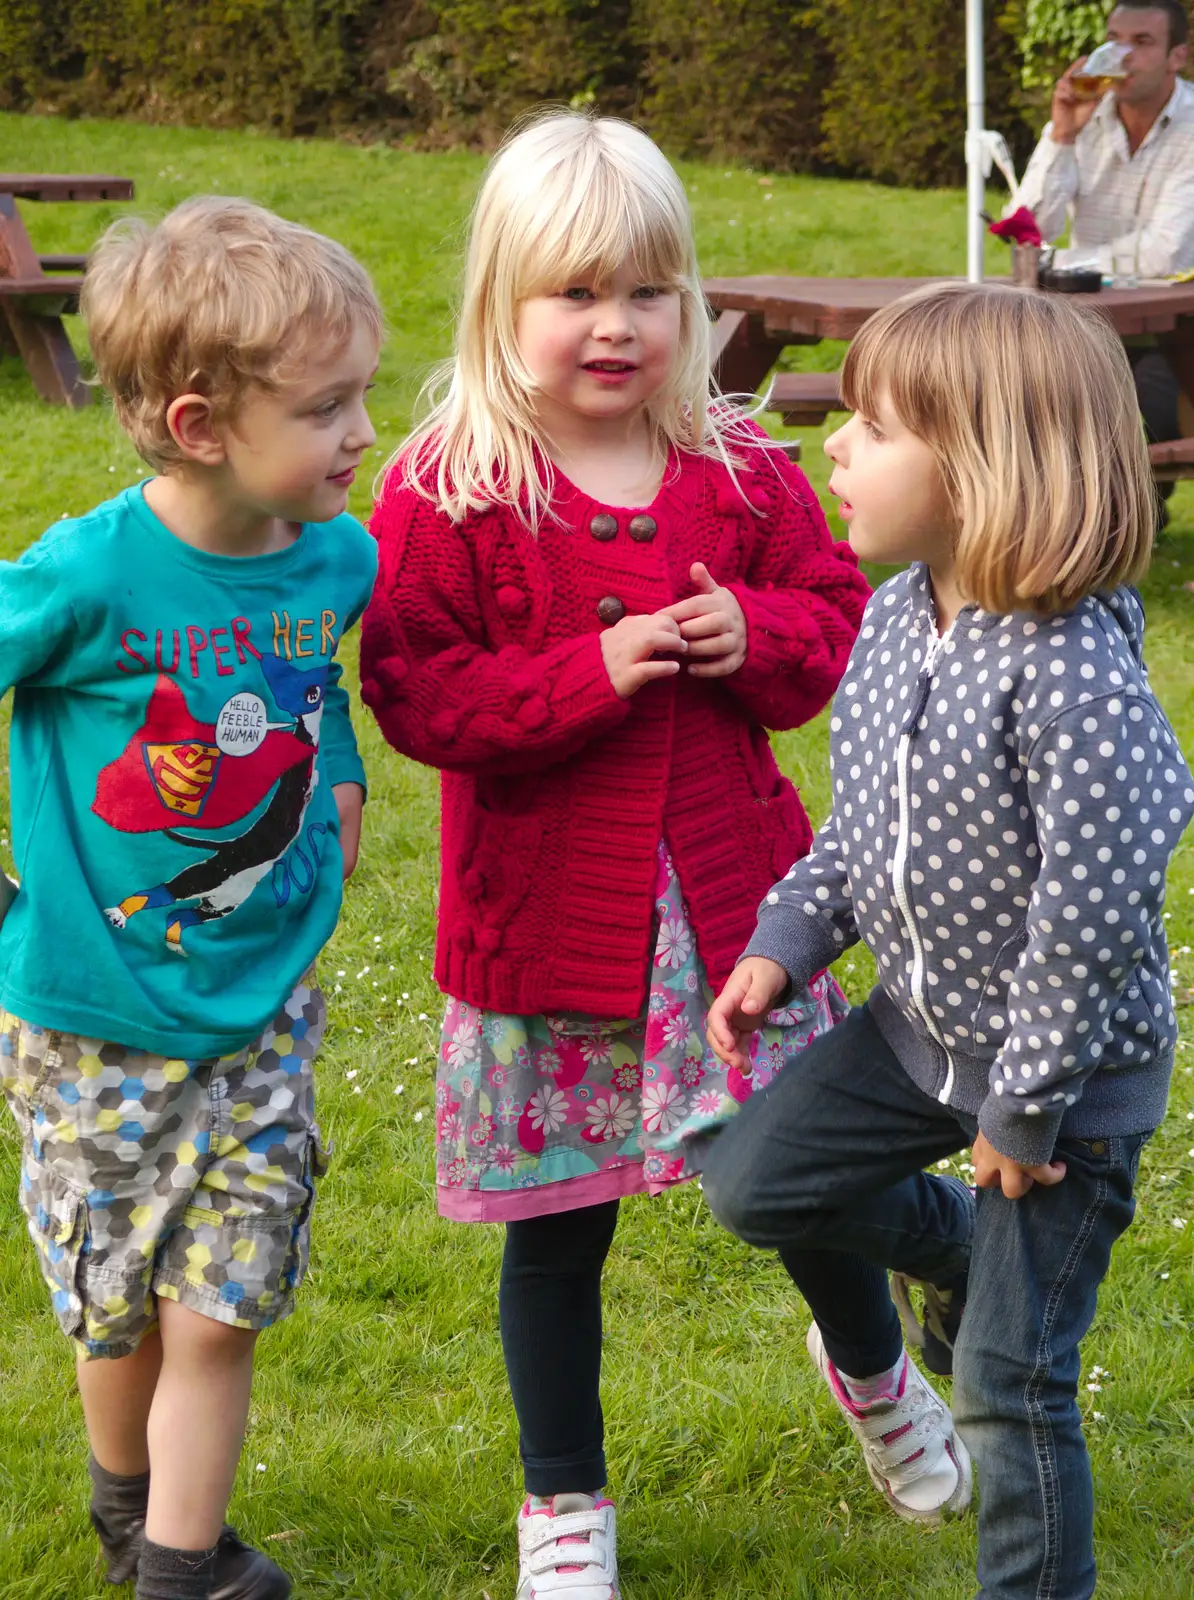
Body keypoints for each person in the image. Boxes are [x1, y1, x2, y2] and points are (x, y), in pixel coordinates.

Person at [360, 110, 870, 1598]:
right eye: (574, 292)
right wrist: (591, 673)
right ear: (497, 303)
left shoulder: (741, 466)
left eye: (646, 292)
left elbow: (827, 620)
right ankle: (562, 1504)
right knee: (557, 1234)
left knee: (802, 1179)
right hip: (548, 940)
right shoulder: (450, 487)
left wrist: (749, 632)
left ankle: (874, 1371)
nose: (614, 325)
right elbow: (420, 692)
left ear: (686, 304)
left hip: (732, 926)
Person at [703, 282, 1194, 1600]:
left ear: (978, 470)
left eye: (871, 426)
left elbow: (1083, 932)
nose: (833, 449)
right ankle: (964, 1250)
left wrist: (1022, 1118)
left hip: (1063, 1087)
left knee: (1008, 1383)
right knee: (750, 1180)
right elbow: (862, 830)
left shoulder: (1073, 682)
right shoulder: (892, 621)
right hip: (915, 1033)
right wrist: (788, 938)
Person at [0, 197, 381, 1600]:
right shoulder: (90, 573)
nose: (360, 434)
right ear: (200, 421)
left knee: (220, 1311)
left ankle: (178, 1570)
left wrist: (334, 774)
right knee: (119, 1316)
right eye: (328, 406)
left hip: (263, 1003)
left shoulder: (337, 556)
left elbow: (314, 683)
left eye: (363, 399)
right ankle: (127, 1506)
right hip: (91, 1019)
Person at [1016, 2, 1194, 457]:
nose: (1122, 55)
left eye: (1142, 42)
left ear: (1179, 55)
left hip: (1180, 330)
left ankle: (1133, 509)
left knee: (1145, 405)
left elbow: (1165, 255)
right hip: (1092, 326)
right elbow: (1028, 231)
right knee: (1016, 386)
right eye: (1115, 39)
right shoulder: (1085, 118)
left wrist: (1062, 265)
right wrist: (1061, 136)